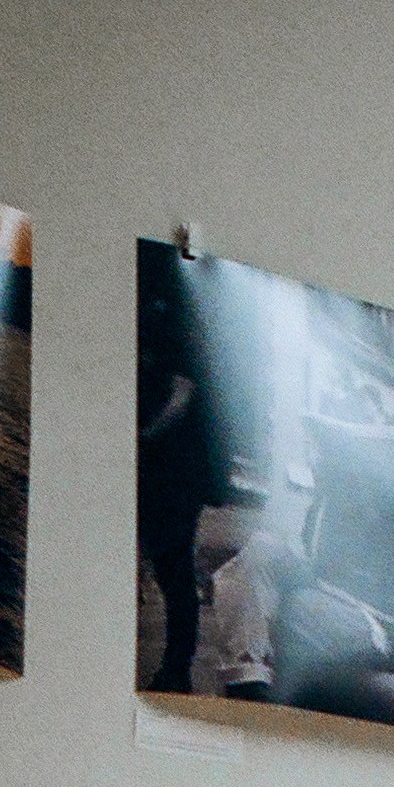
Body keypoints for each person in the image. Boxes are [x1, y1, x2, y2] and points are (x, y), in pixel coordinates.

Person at [136, 260, 225, 691]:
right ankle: (176, 669)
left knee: (174, 573)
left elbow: (180, 396)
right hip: (170, 470)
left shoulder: (175, 326)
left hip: (171, 473)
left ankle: (177, 669)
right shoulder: (182, 322)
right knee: (173, 572)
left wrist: (141, 435)